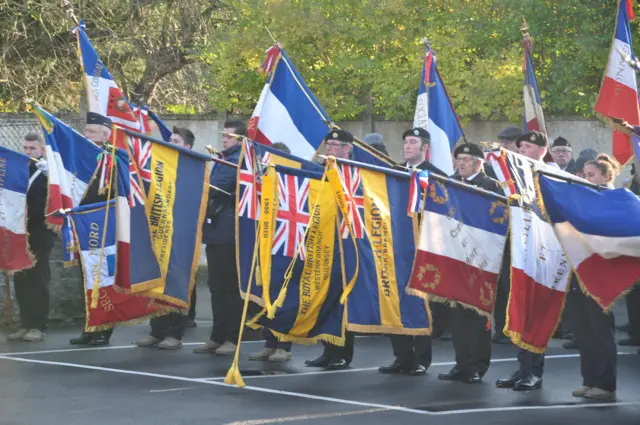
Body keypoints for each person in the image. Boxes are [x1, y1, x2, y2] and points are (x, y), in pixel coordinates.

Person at [378, 128, 442, 377]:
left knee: (420, 303)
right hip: (396, 245)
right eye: (405, 141)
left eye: (413, 142)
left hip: (424, 247)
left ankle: (420, 358)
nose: (407, 145)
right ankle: (401, 356)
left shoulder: (437, 176)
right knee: (396, 298)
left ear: (425, 147)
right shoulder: (396, 172)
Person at [437, 143, 501, 384]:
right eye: (458, 159)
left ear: (478, 162)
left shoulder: (490, 186)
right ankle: (462, 363)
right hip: (456, 256)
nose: (460, 163)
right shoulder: (450, 183)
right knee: (457, 317)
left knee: (477, 317)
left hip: (481, 260)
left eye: (466, 158)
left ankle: (477, 366)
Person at [496, 130, 552, 391]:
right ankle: (523, 368)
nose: (523, 151)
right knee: (518, 308)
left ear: (542, 150)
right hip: (517, 251)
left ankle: (535, 372)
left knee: (535, 312)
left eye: (528, 147)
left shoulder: (550, 176)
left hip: (541, 253)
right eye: (521, 147)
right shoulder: (516, 177)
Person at [135, 127, 197, 350]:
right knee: (158, 281)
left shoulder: (192, 169)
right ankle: (157, 330)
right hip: (160, 232)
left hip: (181, 235)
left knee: (177, 283)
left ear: (187, 146)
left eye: (176, 141)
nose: (171, 143)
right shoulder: (161, 166)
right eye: (170, 139)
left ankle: (175, 333)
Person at [565, 153, 620, 401]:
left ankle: (605, 383)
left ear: (607, 175)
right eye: (584, 175)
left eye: (591, 175)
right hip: (579, 273)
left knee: (600, 332)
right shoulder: (584, 198)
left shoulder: (618, 199)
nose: (585, 179)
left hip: (603, 275)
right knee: (583, 331)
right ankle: (589, 380)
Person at [192, 120, 245, 356]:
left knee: (230, 288)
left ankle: (233, 337)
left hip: (230, 233)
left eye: (229, 136)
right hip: (215, 231)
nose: (224, 139)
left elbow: (214, 187)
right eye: (223, 135)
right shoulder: (223, 158)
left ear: (241, 139)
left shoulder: (237, 161)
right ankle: (217, 335)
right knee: (216, 287)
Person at [305, 129, 356, 370]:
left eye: (336, 145)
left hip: (345, 245)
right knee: (323, 298)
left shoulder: (353, 174)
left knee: (341, 301)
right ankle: (328, 350)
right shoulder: (320, 171)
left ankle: (343, 353)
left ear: (348, 149)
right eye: (328, 144)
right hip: (321, 242)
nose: (331, 149)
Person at [69, 112, 115, 347]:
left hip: (102, 225)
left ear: (105, 135)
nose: (86, 134)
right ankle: (90, 327)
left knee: (103, 277)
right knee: (86, 279)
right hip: (83, 226)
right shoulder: (79, 157)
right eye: (86, 131)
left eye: (92, 131)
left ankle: (104, 328)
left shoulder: (111, 158)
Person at [8, 133, 56, 342]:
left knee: (38, 280)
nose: (28, 152)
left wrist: (51, 175)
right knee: (21, 280)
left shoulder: (51, 173)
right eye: (26, 148)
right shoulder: (22, 170)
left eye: (32, 148)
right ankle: (25, 324)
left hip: (40, 232)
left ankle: (38, 326)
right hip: (20, 233)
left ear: (42, 150)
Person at [248, 140, 293, 363]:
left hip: (284, 245)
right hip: (265, 243)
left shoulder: (290, 180)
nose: (266, 160)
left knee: (283, 297)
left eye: (271, 156)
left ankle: (284, 345)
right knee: (266, 296)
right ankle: (269, 342)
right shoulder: (263, 177)